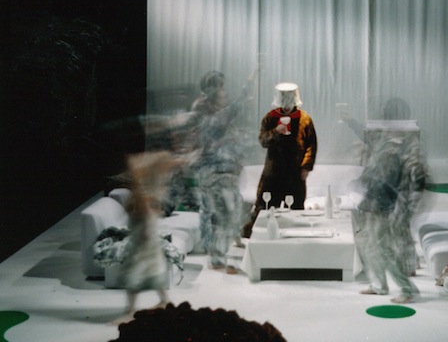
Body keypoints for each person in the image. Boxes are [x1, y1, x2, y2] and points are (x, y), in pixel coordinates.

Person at [187, 70, 255, 273]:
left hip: (221, 169)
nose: (224, 91)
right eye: (221, 86)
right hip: (213, 170)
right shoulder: (203, 109)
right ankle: (215, 256)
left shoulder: (209, 108)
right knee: (218, 212)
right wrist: (251, 78)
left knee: (225, 208)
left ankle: (222, 249)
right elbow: (228, 115)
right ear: (213, 88)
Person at [112, 150, 182, 324]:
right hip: (144, 230)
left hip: (144, 232)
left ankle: (131, 311)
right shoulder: (147, 187)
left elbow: (145, 211)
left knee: (136, 270)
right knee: (151, 266)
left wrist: (145, 232)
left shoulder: (143, 187)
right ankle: (164, 301)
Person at [353, 136, 426, 304]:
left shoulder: (391, 157)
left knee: (384, 250)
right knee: (370, 248)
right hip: (373, 207)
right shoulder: (381, 156)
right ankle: (380, 285)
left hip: (381, 209)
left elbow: (387, 186)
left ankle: (407, 289)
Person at [242, 83, 317, 236]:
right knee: (264, 206)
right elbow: (263, 141)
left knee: (296, 209)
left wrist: (306, 167)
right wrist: (275, 131)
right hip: (273, 171)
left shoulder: (304, 119)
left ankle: (295, 240)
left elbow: (311, 144)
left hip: (295, 172)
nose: (287, 107)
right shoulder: (270, 118)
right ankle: (256, 237)